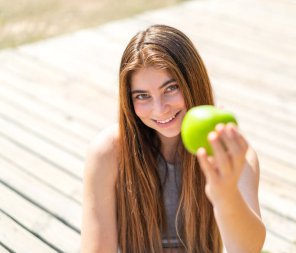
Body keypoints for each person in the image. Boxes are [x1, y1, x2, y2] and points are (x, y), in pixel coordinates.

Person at [80, 24, 266, 253]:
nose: (160, 109)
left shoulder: (229, 151)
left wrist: (225, 195)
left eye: (171, 88)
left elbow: (248, 249)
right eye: (142, 96)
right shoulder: (108, 152)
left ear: (192, 82)